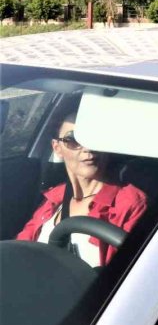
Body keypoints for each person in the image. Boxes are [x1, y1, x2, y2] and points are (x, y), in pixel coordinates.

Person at [17, 109, 147, 266]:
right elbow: (20, 251)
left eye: (95, 138)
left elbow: (130, 272)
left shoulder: (129, 203)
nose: (87, 148)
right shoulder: (53, 198)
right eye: (73, 140)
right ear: (57, 148)